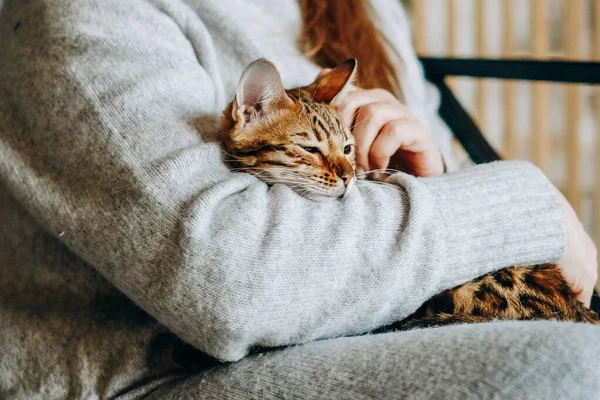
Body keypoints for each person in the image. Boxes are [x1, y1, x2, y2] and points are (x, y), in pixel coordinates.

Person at [0, 0, 598, 398]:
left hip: (361, 320)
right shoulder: (87, 12)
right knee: (569, 371)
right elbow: (232, 281)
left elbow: (446, 193)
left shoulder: (368, 9)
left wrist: (430, 172)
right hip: (155, 371)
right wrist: (529, 207)